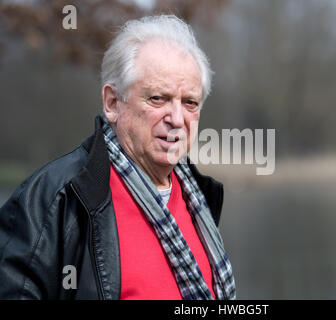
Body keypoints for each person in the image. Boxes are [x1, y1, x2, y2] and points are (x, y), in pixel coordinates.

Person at [0, 15, 236, 300]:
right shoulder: (54, 198)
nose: (176, 119)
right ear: (113, 103)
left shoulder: (199, 199)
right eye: (157, 98)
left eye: (189, 103)